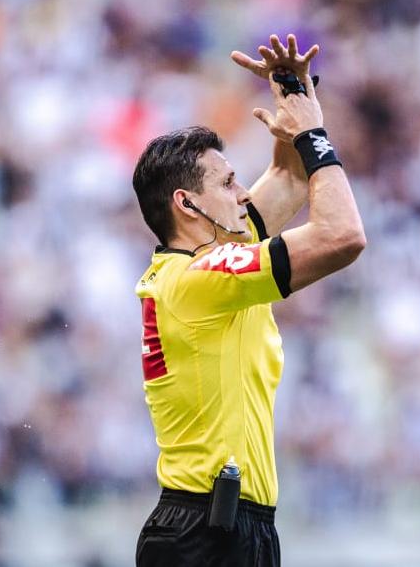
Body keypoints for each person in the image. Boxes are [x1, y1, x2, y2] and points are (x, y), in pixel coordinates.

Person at [130, 34, 366, 566]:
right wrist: (315, 136)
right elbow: (342, 236)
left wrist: (292, 91)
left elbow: (288, 177)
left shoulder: (207, 264)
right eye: (230, 181)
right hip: (204, 531)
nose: (243, 193)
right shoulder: (203, 275)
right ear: (186, 203)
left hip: (228, 529)